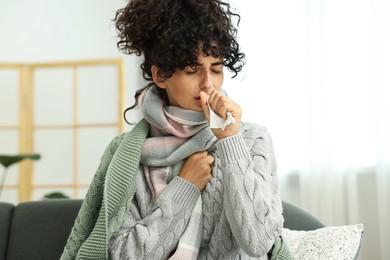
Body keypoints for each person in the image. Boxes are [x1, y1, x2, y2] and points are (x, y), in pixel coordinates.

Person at [60, 0, 290, 259]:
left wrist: (229, 141)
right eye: (192, 70)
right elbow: (122, 255)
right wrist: (185, 187)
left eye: (216, 69)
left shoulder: (250, 140)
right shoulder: (129, 154)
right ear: (160, 76)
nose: (207, 84)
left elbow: (259, 242)